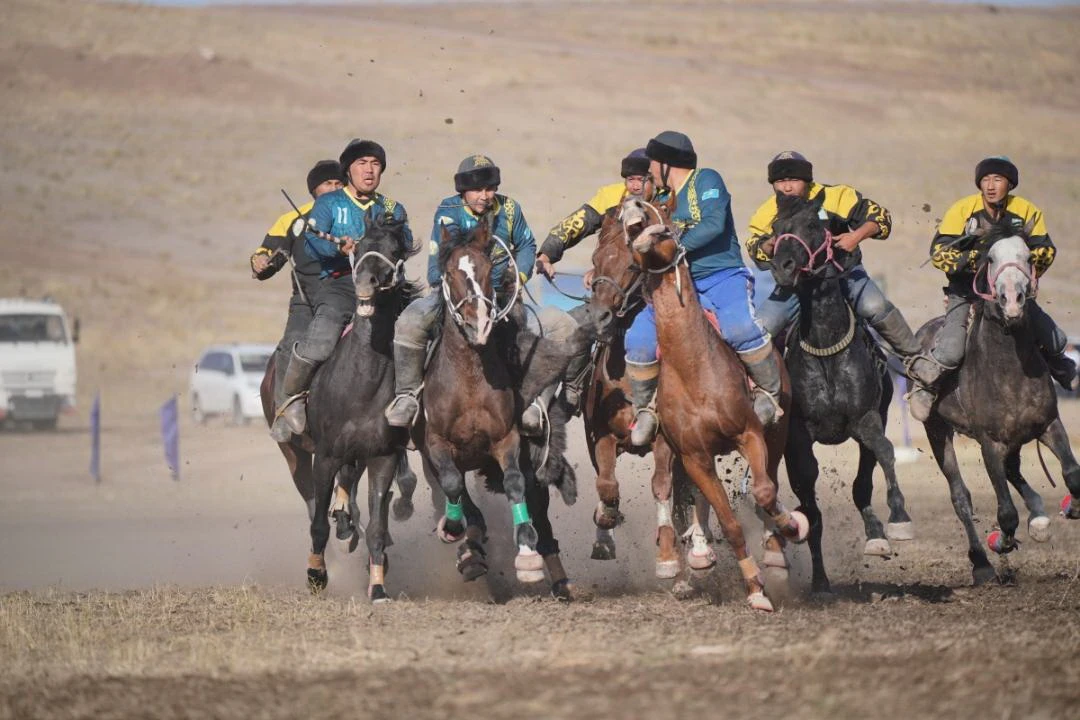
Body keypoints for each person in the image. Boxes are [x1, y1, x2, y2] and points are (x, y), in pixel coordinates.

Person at [384, 155, 577, 435]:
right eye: (477, 190)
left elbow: (526, 244)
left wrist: (519, 277)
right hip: (455, 294)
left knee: (535, 333)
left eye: (490, 189)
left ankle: (534, 402)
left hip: (501, 294)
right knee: (410, 322)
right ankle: (407, 396)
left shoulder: (510, 209)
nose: (484, 196)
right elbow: (444, 259)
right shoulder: (448, 211)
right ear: (463, 190)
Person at [625, 131, 782, 446]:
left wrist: (674, 244)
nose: (650, 170)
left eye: (653, 163)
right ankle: (646, 410)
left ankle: (768, 394)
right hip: (676, 286)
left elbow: (714, 223)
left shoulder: (706, 181)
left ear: (668, 163)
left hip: (721, 276)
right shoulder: (658, 199)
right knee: (637, 339)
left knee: (740, 328)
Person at [906, 156, 1077, 420]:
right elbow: (939, 254)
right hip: (966, 291)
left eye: (997, 179)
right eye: (985, 180)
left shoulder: (1027, 211)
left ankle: (1059, 366)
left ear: (1010, 184)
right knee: (951, 350)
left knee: (1054, 337)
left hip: (1010, 292)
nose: (990, 185)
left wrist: (1023, 269)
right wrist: (979, 258)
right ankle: (925, 386)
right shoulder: (962, 210)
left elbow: (1046, 250)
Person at [745, 151, 934, 383]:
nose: (786, 188)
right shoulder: (767, 212)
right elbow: (753, 245)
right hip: (797, 285)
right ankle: (760, 389)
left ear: (807, 180)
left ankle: (916, 360)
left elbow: (881, 218)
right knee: (762, 327)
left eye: (793, 180)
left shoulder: (837, 196)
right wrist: (767, 245)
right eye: (780, 182)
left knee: (874, 305)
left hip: (844, 274)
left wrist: (856, 237)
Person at [270, 139, 412, 440]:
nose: (369, 170)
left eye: (375, 164)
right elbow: (314, 242)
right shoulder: (329, 204)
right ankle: (292, 400)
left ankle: (415, 405)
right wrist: (340, 247)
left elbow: (406, 242)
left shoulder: (391, 207)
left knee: (418, 336)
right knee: (320, 342)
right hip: (340, 285)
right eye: (362, 164)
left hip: (385, 288)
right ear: (348, 170)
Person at [531, 149, 651, 409]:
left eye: (641, 179)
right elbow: (576, 224)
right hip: (611, 292)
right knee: (574, 325)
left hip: (649, 294)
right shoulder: (610, 197)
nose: (634, 186)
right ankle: (575, 386)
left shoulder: (659, 205)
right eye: (629, 179)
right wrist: (547, 253)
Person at [252, 160, 342, 442]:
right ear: (314, 189)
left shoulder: (351, 214)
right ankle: (282, 412)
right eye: (327, 184)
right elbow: (269, 253)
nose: (333, 189)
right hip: (306, 300)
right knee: (289, 346)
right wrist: (261, 262)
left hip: (346, 296)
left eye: (339, 184)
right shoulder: (291, 219)